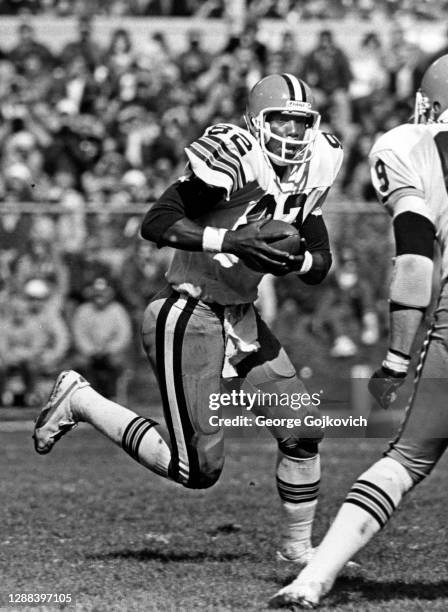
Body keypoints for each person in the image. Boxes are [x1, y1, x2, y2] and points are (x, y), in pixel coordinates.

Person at [33, 73, 343, 565]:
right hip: (187, 310)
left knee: (303, 430)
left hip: (241, 316)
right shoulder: (236, 155)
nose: (292, 132)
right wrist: (232, 241)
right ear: (256, 121)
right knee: (195, 469)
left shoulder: (319, 161)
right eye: (281, 119)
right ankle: (83, 401)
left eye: (300, 122)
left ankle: (298, 551)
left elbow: (319, 259)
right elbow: (154, 222)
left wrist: (295, 261)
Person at [270, 55, 448, 608]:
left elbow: (416, 262)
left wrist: (397, 358)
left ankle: (312, 578)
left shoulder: (405, 144)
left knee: (408, 457)